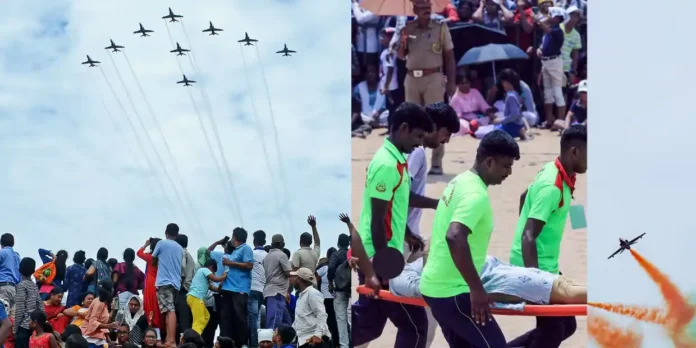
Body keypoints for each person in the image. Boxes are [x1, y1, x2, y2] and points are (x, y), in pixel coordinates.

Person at [419, 130, 520, 347]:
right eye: (506, 165)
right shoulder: (476, 194)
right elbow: (454, 236)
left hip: (434, 288)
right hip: (453, 293)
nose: (509, 172)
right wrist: (476, 289)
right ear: (489, 162)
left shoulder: (459, 181)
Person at [352, 102, 438, 348]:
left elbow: (394, 210)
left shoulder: (396, 160)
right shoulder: (387, 165)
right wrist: (381, 269)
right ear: (403, 128)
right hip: (379, 256)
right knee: (411, 325)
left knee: (372, 324)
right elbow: (378, 221)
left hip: (382, 255)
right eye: (418, 136)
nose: (420, 143)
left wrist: (408, 234)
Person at [507, 124, 587, 348]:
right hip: (534, 266)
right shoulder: (552, 185)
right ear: (575, 152)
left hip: (546, 265)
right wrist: (534, 280)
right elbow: (528, 236)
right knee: (551, 332)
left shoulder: (555, 169)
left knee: (567, 325)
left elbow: (524, 196)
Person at [398, 0, 456, 175]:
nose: (426, 12)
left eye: (428, 8)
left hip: (433, 78)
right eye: (422, 8)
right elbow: (401, 56)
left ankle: (437, 162)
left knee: (437, 121)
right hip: (412, 78)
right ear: (414, 9)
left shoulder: (440, 27)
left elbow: (449, 57)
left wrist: (452, 82)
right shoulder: (407, 29)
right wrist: (402, 39)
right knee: (412, 121)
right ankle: (414, 161)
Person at [405, 102, 460, 262]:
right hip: (400, 237)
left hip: (409, 234)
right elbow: (400, 195)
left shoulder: (412, 149)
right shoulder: (417, 152)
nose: (446, 140)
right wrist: (438, 204)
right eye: (446, 133)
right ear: (432, 125)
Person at [220, 228, 254, 348]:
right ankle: (226, 342)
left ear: (236, 237)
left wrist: (231, 263)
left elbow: (249, 265)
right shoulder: (234, 251)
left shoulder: (246, 248)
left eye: (232, 236)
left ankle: (242, 344)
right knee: (226, 318)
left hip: (240, 289)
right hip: (228, 288)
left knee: (240, 317)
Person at [152, 223, 184, 347]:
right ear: (177, 234)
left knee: (170, 310)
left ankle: (171, 340)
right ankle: (168, 339)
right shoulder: (180, 248)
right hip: (176, 283)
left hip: (164, 282)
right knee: (167, 310)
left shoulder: (161, 244)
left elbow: (154, 260)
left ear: (165, 232)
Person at [535, 7, 567, 128]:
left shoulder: (558, 30)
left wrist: (538, 20)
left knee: (557, 92)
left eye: (551, 15)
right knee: (547, 93)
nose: (549, 16)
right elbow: (543, 45)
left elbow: (547, 29)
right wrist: (539, 49)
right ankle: (549, 121)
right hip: (546, 62)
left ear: (557, 18)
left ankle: (560, 122)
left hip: (554, 62)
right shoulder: (548, 32)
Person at [291, 269, 331, 348]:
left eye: (294, 277)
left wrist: (318, 335)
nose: (292, 280)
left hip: (315, 341)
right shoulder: (301, 296)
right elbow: (299, 320)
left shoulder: (312, 293)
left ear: (299, 279)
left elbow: (321, 314)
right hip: (304, 341)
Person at [187, 259, 227, 335]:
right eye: (214, 272)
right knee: (199, 320)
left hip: (194, 297)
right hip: (196, 297)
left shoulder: (204, 279)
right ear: (211, 267)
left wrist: (221, 283)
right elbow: (215, 279)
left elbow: (216, 289)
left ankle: (197, 333)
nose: (214, 273)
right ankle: (192, 338)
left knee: (206, 316)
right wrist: (224, 276)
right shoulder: (204, 269)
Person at [262, 235, 292, 330]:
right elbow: (288, 272)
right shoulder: (282, 255)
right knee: (274, 322)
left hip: (271, 292)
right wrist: (300, 272)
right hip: (277, 293)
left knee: (286, 322)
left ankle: (282, 343)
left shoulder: (266, 257)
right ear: (282, 244)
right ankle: (271, 342)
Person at [15, 257, 44, 348]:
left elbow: (20, 309)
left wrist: (14, 329)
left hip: (23, 327)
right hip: (34, 326)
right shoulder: (34, 286)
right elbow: (41, 305)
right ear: (33, 270)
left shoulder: (21, 286)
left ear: (19, 269)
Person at [80, 280, 119, 348]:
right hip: (91, 339)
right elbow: (93, 322)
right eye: (112, 288)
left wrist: (112, 311)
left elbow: (104, 323)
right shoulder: (99, 302)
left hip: (98, 339)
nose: (113, 291)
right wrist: (109, 326)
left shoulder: (103, 302)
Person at [327, 234, 350, 348]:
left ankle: (344, 344)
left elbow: (331, 268)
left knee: (341, 318)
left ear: (338, 244)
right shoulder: (351, 253)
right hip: (352, 289)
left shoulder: (335, 255)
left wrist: (331, 283)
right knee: (352, 316)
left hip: (340, 289)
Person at [492, 69, 529, 140]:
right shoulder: (516, 94)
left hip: (512, 125)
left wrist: (501, 120)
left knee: (494, 133)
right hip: (517, 124)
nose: (503, 85)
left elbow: (515, 115)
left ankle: (518, 132)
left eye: (503, 82)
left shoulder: (511, 96)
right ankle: (520, 131)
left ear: (509, 82)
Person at [136, 238, 162, 329]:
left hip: (150, 283)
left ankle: (153, 329)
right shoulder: (162, 258)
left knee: (150, 307)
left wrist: (145, 245)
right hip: (158, 283)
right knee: (156, 308)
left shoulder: (151, 257)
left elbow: (139, 253)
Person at [249, 231, 267, 348]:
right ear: (265, 242)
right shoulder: (268, 255)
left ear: (254, 241)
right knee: (258, 317)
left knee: (252, 318)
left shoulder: (250, 254)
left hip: (251, 289)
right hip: (262, 290)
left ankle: (254, 344)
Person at [315, 251, 337, 347]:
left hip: (325, 298)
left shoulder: (324, 268)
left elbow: (315, 278)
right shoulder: (339, 267)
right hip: (336, 298)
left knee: (325, 322)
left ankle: (326, 343)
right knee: (335, 322)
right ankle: (335, 343)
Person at [174, 234, 195, 334]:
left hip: (182, 290)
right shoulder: (189, 254)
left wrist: (177, 287)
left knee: (182, 322)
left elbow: (181, 272)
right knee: (185, 321)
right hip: (188, 291)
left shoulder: (181, 253)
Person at [0, 233, 20, 309]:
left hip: (3, 288)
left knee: (2, 316)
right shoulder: (17, 257)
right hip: (13, 290)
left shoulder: (2, 252)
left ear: (1, 243)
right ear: (13, 243)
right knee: (9, 319)